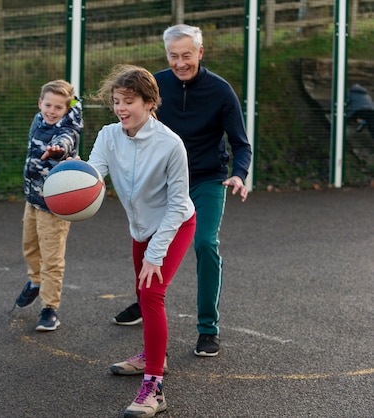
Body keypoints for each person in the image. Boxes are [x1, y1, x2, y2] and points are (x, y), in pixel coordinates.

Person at [112, 24, 252, 359]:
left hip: (206, 180)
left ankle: (208, 329)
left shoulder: (220, 91)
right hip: (163, 180)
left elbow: (240, 143)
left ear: (200, 53)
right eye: (173, 56)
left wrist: (240, 174)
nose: (180, 62)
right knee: (145, 238)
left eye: (186, 55)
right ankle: (145, 301)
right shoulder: (155, 86)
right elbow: (130, 123)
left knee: (205, 243)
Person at [85, 64, 196, 418]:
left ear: (150, 103)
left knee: (151, 293)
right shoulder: (108, 135)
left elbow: (178, 205)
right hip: (140, 228)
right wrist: (68, 172)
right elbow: (93, 177)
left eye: (128, 101)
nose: (120, 108)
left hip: (175, 225)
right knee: (142, 293)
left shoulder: (170, 145)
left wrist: (155, 254)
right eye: (116, 101)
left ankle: (154, 389)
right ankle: (153, 355)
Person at [12, 80, 83, 332]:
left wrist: (57, 150)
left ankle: (50, 309)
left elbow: (65, 142)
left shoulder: (67, 131)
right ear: (40, 103)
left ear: (66, 109)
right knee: (30, 246)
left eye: (58, 107)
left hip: (54, 205)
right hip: (32, 200)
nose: (52, 111)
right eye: (48, 105)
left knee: (52, 257)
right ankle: (34, 282)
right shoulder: (38, 120)